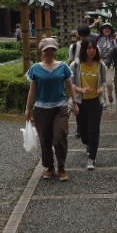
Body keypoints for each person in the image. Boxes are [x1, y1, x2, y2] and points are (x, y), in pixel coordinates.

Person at [25, 37, 79, 181]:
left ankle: (61, 167)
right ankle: (49, 167)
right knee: (45, 140)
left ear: (55, 51)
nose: (49, 52)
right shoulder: (35, 68)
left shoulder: (63, 67)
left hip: (60, 107)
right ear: (42, 51)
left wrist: (75, 103)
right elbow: (32, 90)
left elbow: (70, 86)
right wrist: (28, 108)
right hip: (41, 109)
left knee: (59, 136)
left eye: (52, 50)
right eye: (46, 50)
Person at [71, 38, 106, 170]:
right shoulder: (75, 65)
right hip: (81, 101)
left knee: (94, 130)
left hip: (96, 101)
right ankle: (87, 143)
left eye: (93, 48)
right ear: (83, 50)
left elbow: (104, 81)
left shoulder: (100, 65)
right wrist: (81, 90)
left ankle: (92, 157)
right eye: (88, 48)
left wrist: (101, 88)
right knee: (83, 130)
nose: (91, 51)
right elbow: (69, 84)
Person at [97, 23, 117, 105]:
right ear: (102, 30)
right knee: (100, 83)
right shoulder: (98, 39)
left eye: (108, 28)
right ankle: (103, 101)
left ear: (111, 30)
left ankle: (110, 93)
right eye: (104, 28)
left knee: (109, 83)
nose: (106, 29)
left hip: (110, 64)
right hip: (99, 63)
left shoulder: (114, 39)